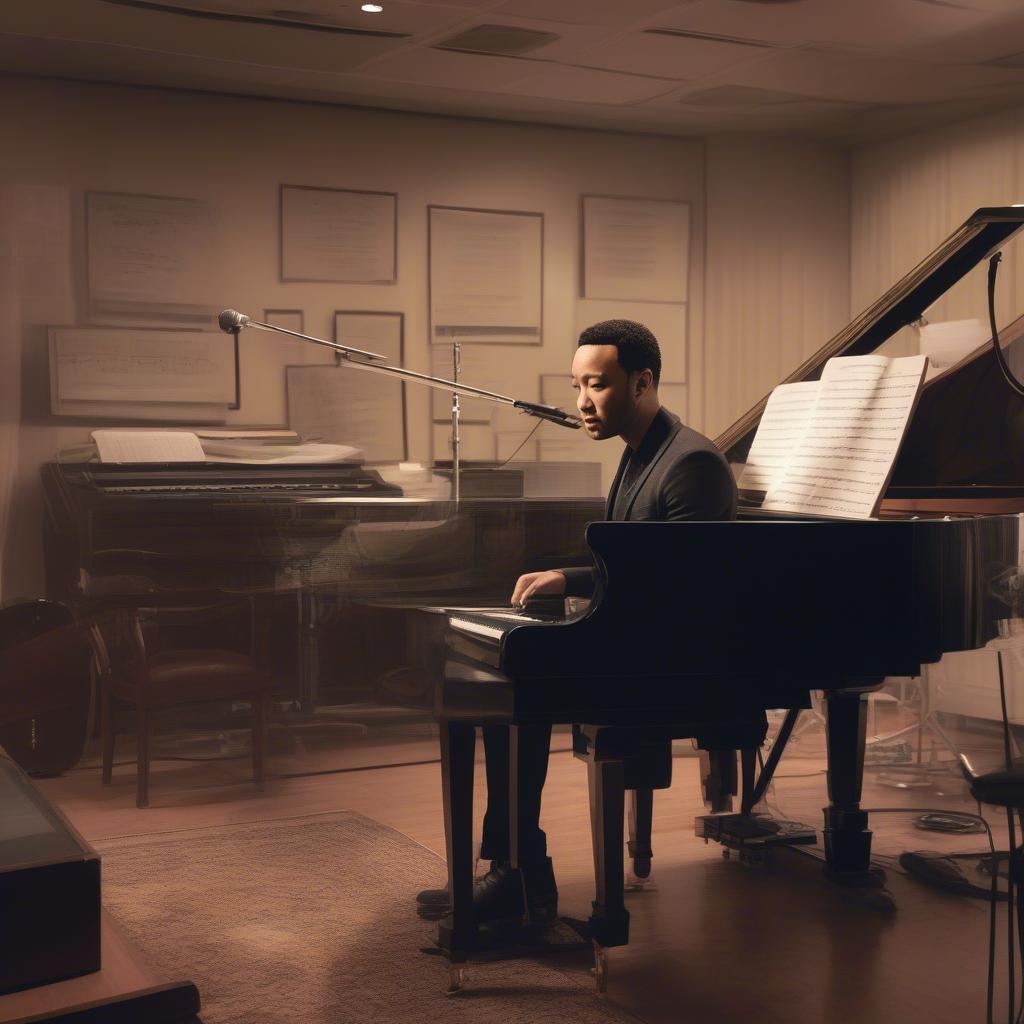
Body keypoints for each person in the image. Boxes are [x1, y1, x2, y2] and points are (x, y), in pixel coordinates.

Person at [418, 319, 737, 923]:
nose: (582, 402)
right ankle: (515, 869)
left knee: (520, 679)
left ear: (642, 382)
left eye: (597, 384)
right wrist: (568, 581)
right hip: (642, 635)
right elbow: (637, 560)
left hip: (678, 657)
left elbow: (675, 581)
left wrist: (570, 584)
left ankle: (521, 874)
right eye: (577, 386)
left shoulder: (690, 463)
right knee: (501, 679)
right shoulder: (644, 450)